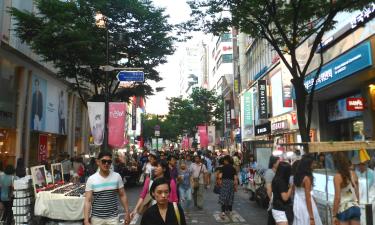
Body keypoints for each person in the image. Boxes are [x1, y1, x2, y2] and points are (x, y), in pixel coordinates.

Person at [84, 151, 130, 225]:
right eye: (104, 161)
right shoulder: (91, 179)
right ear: (98, 162)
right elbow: (88, 200)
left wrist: (127, 212)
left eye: (109, 162)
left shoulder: (117, 176)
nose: (106, 164)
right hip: (96, 218)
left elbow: (122, 195)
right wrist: (86, 220)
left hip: (113, 218)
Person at [293, 155, 322, 225]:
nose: (314, 165)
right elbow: (307, 198)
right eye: (312, 163)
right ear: (308, 165)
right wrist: (311, 217)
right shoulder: (306, 179)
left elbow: (294, 191)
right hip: (306, 206)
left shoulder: (296, 176)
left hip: (298, 204)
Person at [332, 152, 360, 225]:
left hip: (344, 209)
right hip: (355, 207)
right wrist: (357, 204)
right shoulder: (353, 174)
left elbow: (337, 198)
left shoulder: (337, 177)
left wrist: (334, 215)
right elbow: (357, 193)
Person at [217, 155, 238, 219]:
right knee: (230, 196)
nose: (224, 161)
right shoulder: (233, 167)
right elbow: (235, 178)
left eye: (224, 160)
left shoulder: (223, 167)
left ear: (226, 160)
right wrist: (235, 186)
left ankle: (223, 212)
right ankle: (230, 211)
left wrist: (219, 182)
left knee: (223, 197)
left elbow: (220, 176)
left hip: (224, 183)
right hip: (231, 183)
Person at [266, 156, 280, 225]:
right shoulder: (269, 172)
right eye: (278, 162)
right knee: (272, 218)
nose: (279, 163)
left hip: (277, 198)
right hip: (273, 199)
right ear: (274, 164)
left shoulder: (277, 171)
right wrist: (272, 200)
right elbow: (269, 188)